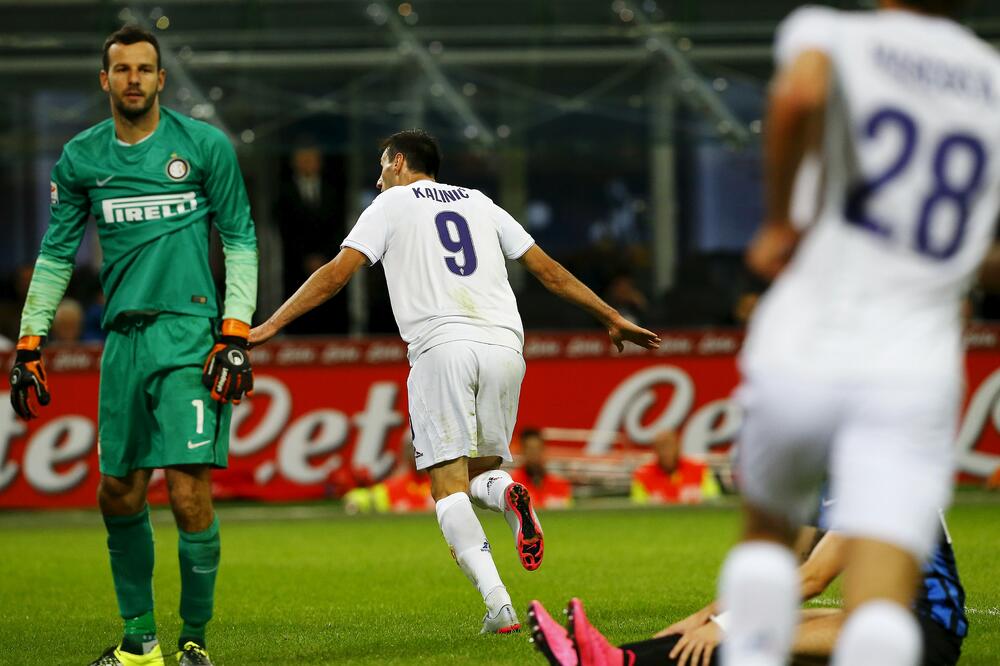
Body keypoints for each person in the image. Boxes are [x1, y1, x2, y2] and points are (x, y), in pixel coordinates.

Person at [250, 129, 660, 633]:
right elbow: (549, 271)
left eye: (382, 167)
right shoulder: (480, 202)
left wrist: (270, 325)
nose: (378, 180)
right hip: (506, 347)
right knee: (479, 473)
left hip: (443, 346)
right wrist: (610, 316)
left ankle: (499, 606)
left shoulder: (391, 203)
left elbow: (336, 274)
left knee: (446, 488)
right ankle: (508, 495)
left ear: (399, 163)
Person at [720, 1, 1000, 664]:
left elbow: (799, 93)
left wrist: (779, 221)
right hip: (915, 365)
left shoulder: (831, 32)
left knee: (767, 536)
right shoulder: (991, 75)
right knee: (879, 604)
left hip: (810, 334)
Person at [7, 25, 258, 666]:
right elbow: (56, 253)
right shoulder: (82, 157)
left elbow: (240, 239)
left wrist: (234, 330)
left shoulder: (203, 146)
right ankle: (140, 642)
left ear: (161, 78)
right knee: (117, 492)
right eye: (122, 69)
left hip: (189, 335)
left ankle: (194, 640)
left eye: (145, 69)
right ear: (105, 80)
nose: (134, 79)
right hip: (121, 340)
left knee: (188, 491)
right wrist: (30, 342)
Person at [528, 513, 967, 666]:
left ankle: (614, 660)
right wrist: (701, 617)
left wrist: (723, 623)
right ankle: (604, 655)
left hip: (919, 633)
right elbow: (794, 568)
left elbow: (813, 579)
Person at [274, 141, 347, 335]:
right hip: (296, 266)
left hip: (330, 262)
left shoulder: (333, 191)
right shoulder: (284, 192)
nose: (307, 163)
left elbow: (339, 226)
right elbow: (285, 230)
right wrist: (306, 257)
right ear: (294, 162)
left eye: (311, 159)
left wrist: (324, 257)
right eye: (303, 159)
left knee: (330, 313)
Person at [630, 430, 721, 505]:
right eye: (661, 447)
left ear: (678, 447)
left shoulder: (700, 469)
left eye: (669, 446)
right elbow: (639, 510)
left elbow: (713, 502)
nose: (666, 452)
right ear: (655, 450)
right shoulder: (642, 475)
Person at [510, 429, 573, 510]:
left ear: (544, 450)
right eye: (530, 449)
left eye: (538, 449)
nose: (534, 454)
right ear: (522, 451)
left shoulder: (561, 485)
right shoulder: (512, 484)